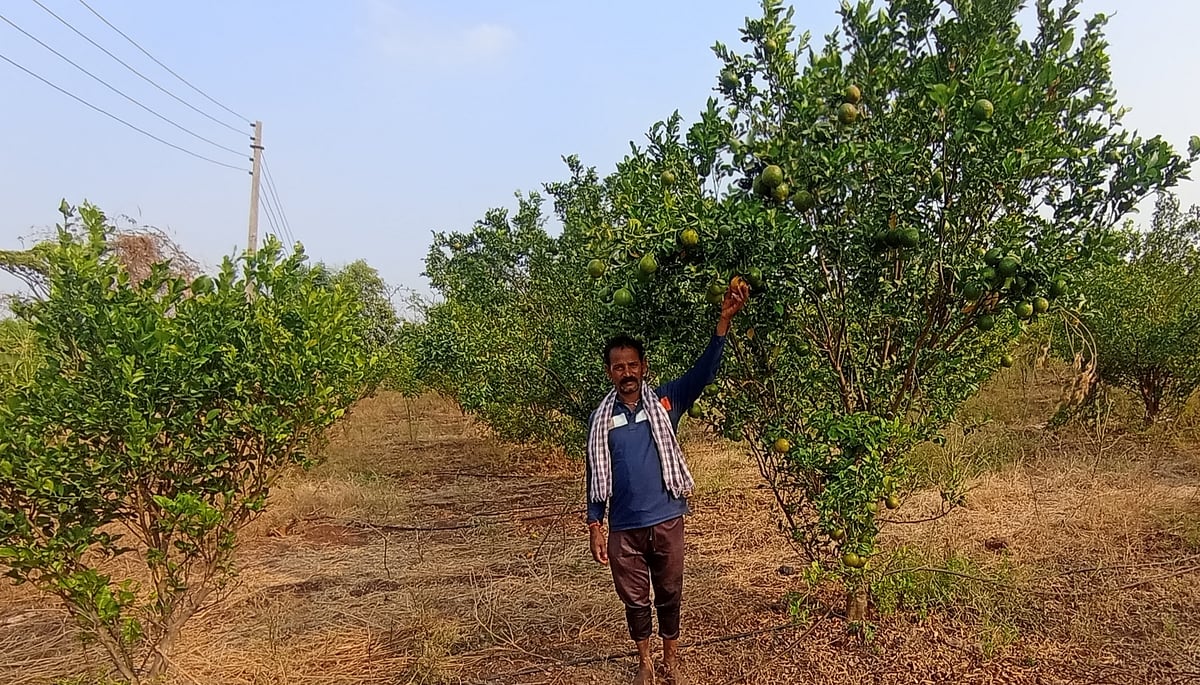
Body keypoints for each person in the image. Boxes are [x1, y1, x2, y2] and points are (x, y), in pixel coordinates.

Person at [585, 277, 750, 685]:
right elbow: (595, 474)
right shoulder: (600, 420)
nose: (627, 372)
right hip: (623, 527)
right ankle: (644, 661)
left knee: (670, 593)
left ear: (644, 368)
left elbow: (703, 373)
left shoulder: (666, 402)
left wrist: (723, 323)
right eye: (618, 366)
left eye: (633, 365)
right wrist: (594, 524)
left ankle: (670, 658)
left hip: (666, 519)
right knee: (635, 600)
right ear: (610, 372)